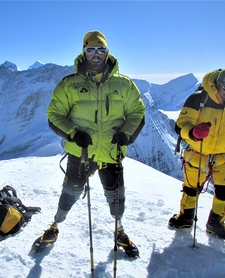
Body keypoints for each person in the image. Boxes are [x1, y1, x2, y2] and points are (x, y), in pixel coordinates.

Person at [32, 31, 145, 256]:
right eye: (91, 50)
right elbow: (54, 115)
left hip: (112, 151)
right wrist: (73, 134)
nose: (96, 54)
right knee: (70, 191)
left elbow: (137, 112)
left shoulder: (124, 85)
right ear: (84, 53)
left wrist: (126, 134)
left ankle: (119, 228)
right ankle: (55, 225)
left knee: (116, 195)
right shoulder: (69, 85)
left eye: (101, 50)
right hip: (81, 152)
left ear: (107, 53)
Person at [169, 67, 225, 239]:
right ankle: (186, 217)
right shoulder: (198, 99)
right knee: (192, 189)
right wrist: (192, 132)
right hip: (198, 152)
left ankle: (216, 223)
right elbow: (181, 125)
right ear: (217, 84)